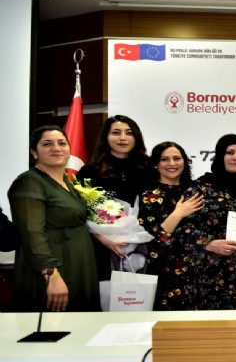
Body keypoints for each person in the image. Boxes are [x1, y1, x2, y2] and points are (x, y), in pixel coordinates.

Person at [8, 125, 99, 312]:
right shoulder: (29, 182)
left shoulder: (68, 182)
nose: (56, 148)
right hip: (51, 269)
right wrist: (51, 274)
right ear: (34, 152)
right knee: (54, 324)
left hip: (77, 264)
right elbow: (32, 233)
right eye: (47, 144)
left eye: (62, 143)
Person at [181, 134, 236, 309]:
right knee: (214, 324)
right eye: (230, 152)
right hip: (212, 275)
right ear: (220, 155)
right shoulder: (201, 187)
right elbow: (183, 227)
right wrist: (208, 243)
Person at [77, 115, 150, 280]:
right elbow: (80, 212)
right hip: (102, 247)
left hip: (143, 246)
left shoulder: (149, 169)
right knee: (107, 291)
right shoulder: (90, 172)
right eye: (116, 133)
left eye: (129, 133)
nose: (122, 138)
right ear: (106, 137)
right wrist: (102, 238)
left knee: (142, 292)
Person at [138, 142, 204, 310]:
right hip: (163, 271)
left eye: (177, 158)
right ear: (156, 164)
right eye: (165, 159)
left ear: (184, 161)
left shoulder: (196, 192)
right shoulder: (147, 195)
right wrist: (178, 214)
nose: (172, 163)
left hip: (198, 271)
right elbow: (156, 239)